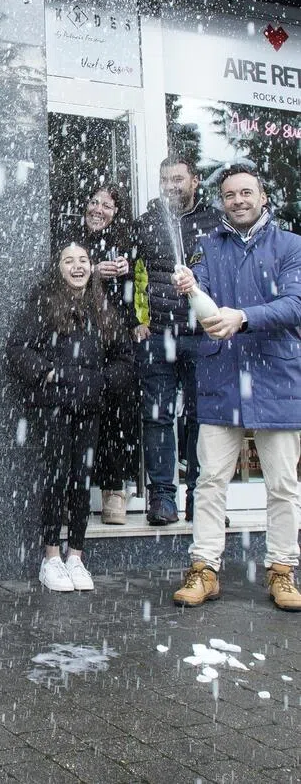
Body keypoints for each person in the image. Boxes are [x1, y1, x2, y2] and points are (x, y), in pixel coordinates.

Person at [171, 167, 301, 612]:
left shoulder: (291, 246)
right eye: (229, 195)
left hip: (276, 381)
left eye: (247, 192)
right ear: (222, 202)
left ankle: (282, 570)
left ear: (263, 197)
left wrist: (242, 317)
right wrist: (190, 289)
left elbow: (295, 303)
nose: (238, 200)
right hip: (221, 379)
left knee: (283, 484)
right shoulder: (207, 247)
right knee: (209, 481)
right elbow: (200, 298)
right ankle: (204, 568)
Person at [7, 242, 133, 593]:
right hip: (54, 406)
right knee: (56, 478)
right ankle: (51, 558)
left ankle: (76, 555)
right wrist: (49, 374)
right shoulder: (44, 303)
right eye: (68, 261)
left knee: (82, 481)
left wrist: (103, 382)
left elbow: (125, 357)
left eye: (83, 260)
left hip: (90, 406)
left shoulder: (102, 306)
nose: (77, 266)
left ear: (91, 267)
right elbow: (17, 349)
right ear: (58, 268)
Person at [130, 154, 221, 525]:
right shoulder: (147, 222)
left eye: (178, 179)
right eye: (165, 179)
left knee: (202, 419)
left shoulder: (216, 222)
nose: (170, 186)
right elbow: (129, 275)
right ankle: (162, 500)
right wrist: (134, 320)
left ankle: (199, 500)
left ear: (195, 181)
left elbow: (224, 276)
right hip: (157, 335)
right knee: (157, 419)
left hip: (201, 335)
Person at [72, 184, 139, 525]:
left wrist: (139, 321)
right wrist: (93, 271)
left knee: (118, 417)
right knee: (81, 416)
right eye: (94, 202)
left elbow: (137, 292)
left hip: (116, 341)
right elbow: (58, 279)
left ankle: (115, 489)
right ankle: (78, 492)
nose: (98, 209)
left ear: (117, 212)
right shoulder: (70, 239)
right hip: (79, 336)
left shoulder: (126, 245)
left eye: (107, 205)